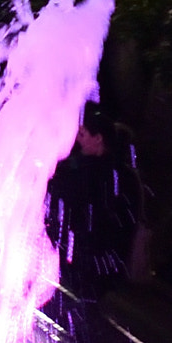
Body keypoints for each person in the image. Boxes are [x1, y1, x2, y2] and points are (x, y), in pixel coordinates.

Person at [45, 102, 142, 304]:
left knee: (77, 311)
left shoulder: (100, 173)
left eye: (82, 134)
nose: (76, 139)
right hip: (93, 264)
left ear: (98, 139)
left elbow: (107, 221)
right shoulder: (118, 174)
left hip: (89, 264)